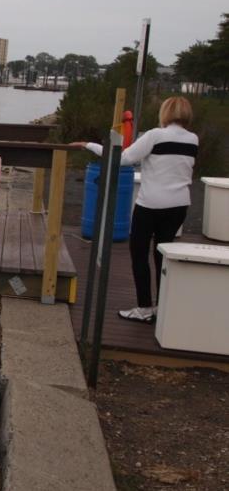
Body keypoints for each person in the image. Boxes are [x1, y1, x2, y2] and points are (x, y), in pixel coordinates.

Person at [71, 96, 198, 323]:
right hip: (179, 204)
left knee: (139, 254)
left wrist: (87, 145)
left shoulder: (154, 135)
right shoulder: (193, 139)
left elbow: (122, 158)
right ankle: (162, 305)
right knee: (164, 255)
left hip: (151, 203)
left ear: (165, 113)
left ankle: (144, 307)